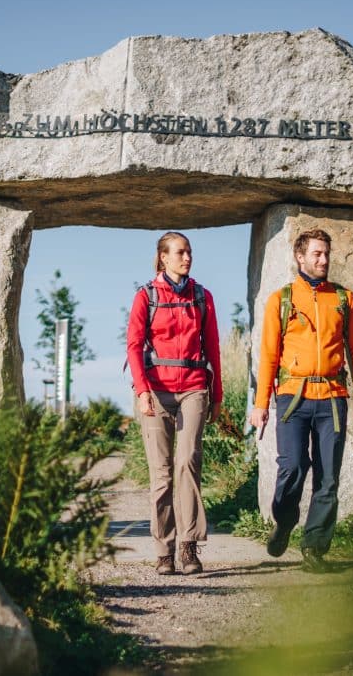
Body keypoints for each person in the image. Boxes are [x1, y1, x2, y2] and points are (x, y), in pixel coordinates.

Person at [248, 228, 353, 573]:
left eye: (326, 254)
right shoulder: (282, 299)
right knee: (292, 468)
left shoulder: (344, 299)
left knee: (328, 477)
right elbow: (269, 356)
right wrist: (260, 405)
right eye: (317, 254)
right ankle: (284, 521)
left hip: (333, 397)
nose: (323, 260)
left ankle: (315, 547)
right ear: (300, 257)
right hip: (292, 398)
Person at [126, 231, 223, 576]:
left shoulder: (202, 297)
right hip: (155, 391)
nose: (187, 258)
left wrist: (218, 395)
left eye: (189, 252)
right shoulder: (146, 296)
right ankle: (164, 550)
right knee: (161, 475)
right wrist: (141, 391)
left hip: (194, 388)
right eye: (180, 252)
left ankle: (189, 545)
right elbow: (134, 347)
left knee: (187, 463)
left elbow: (213, 347)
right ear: (163, 257)